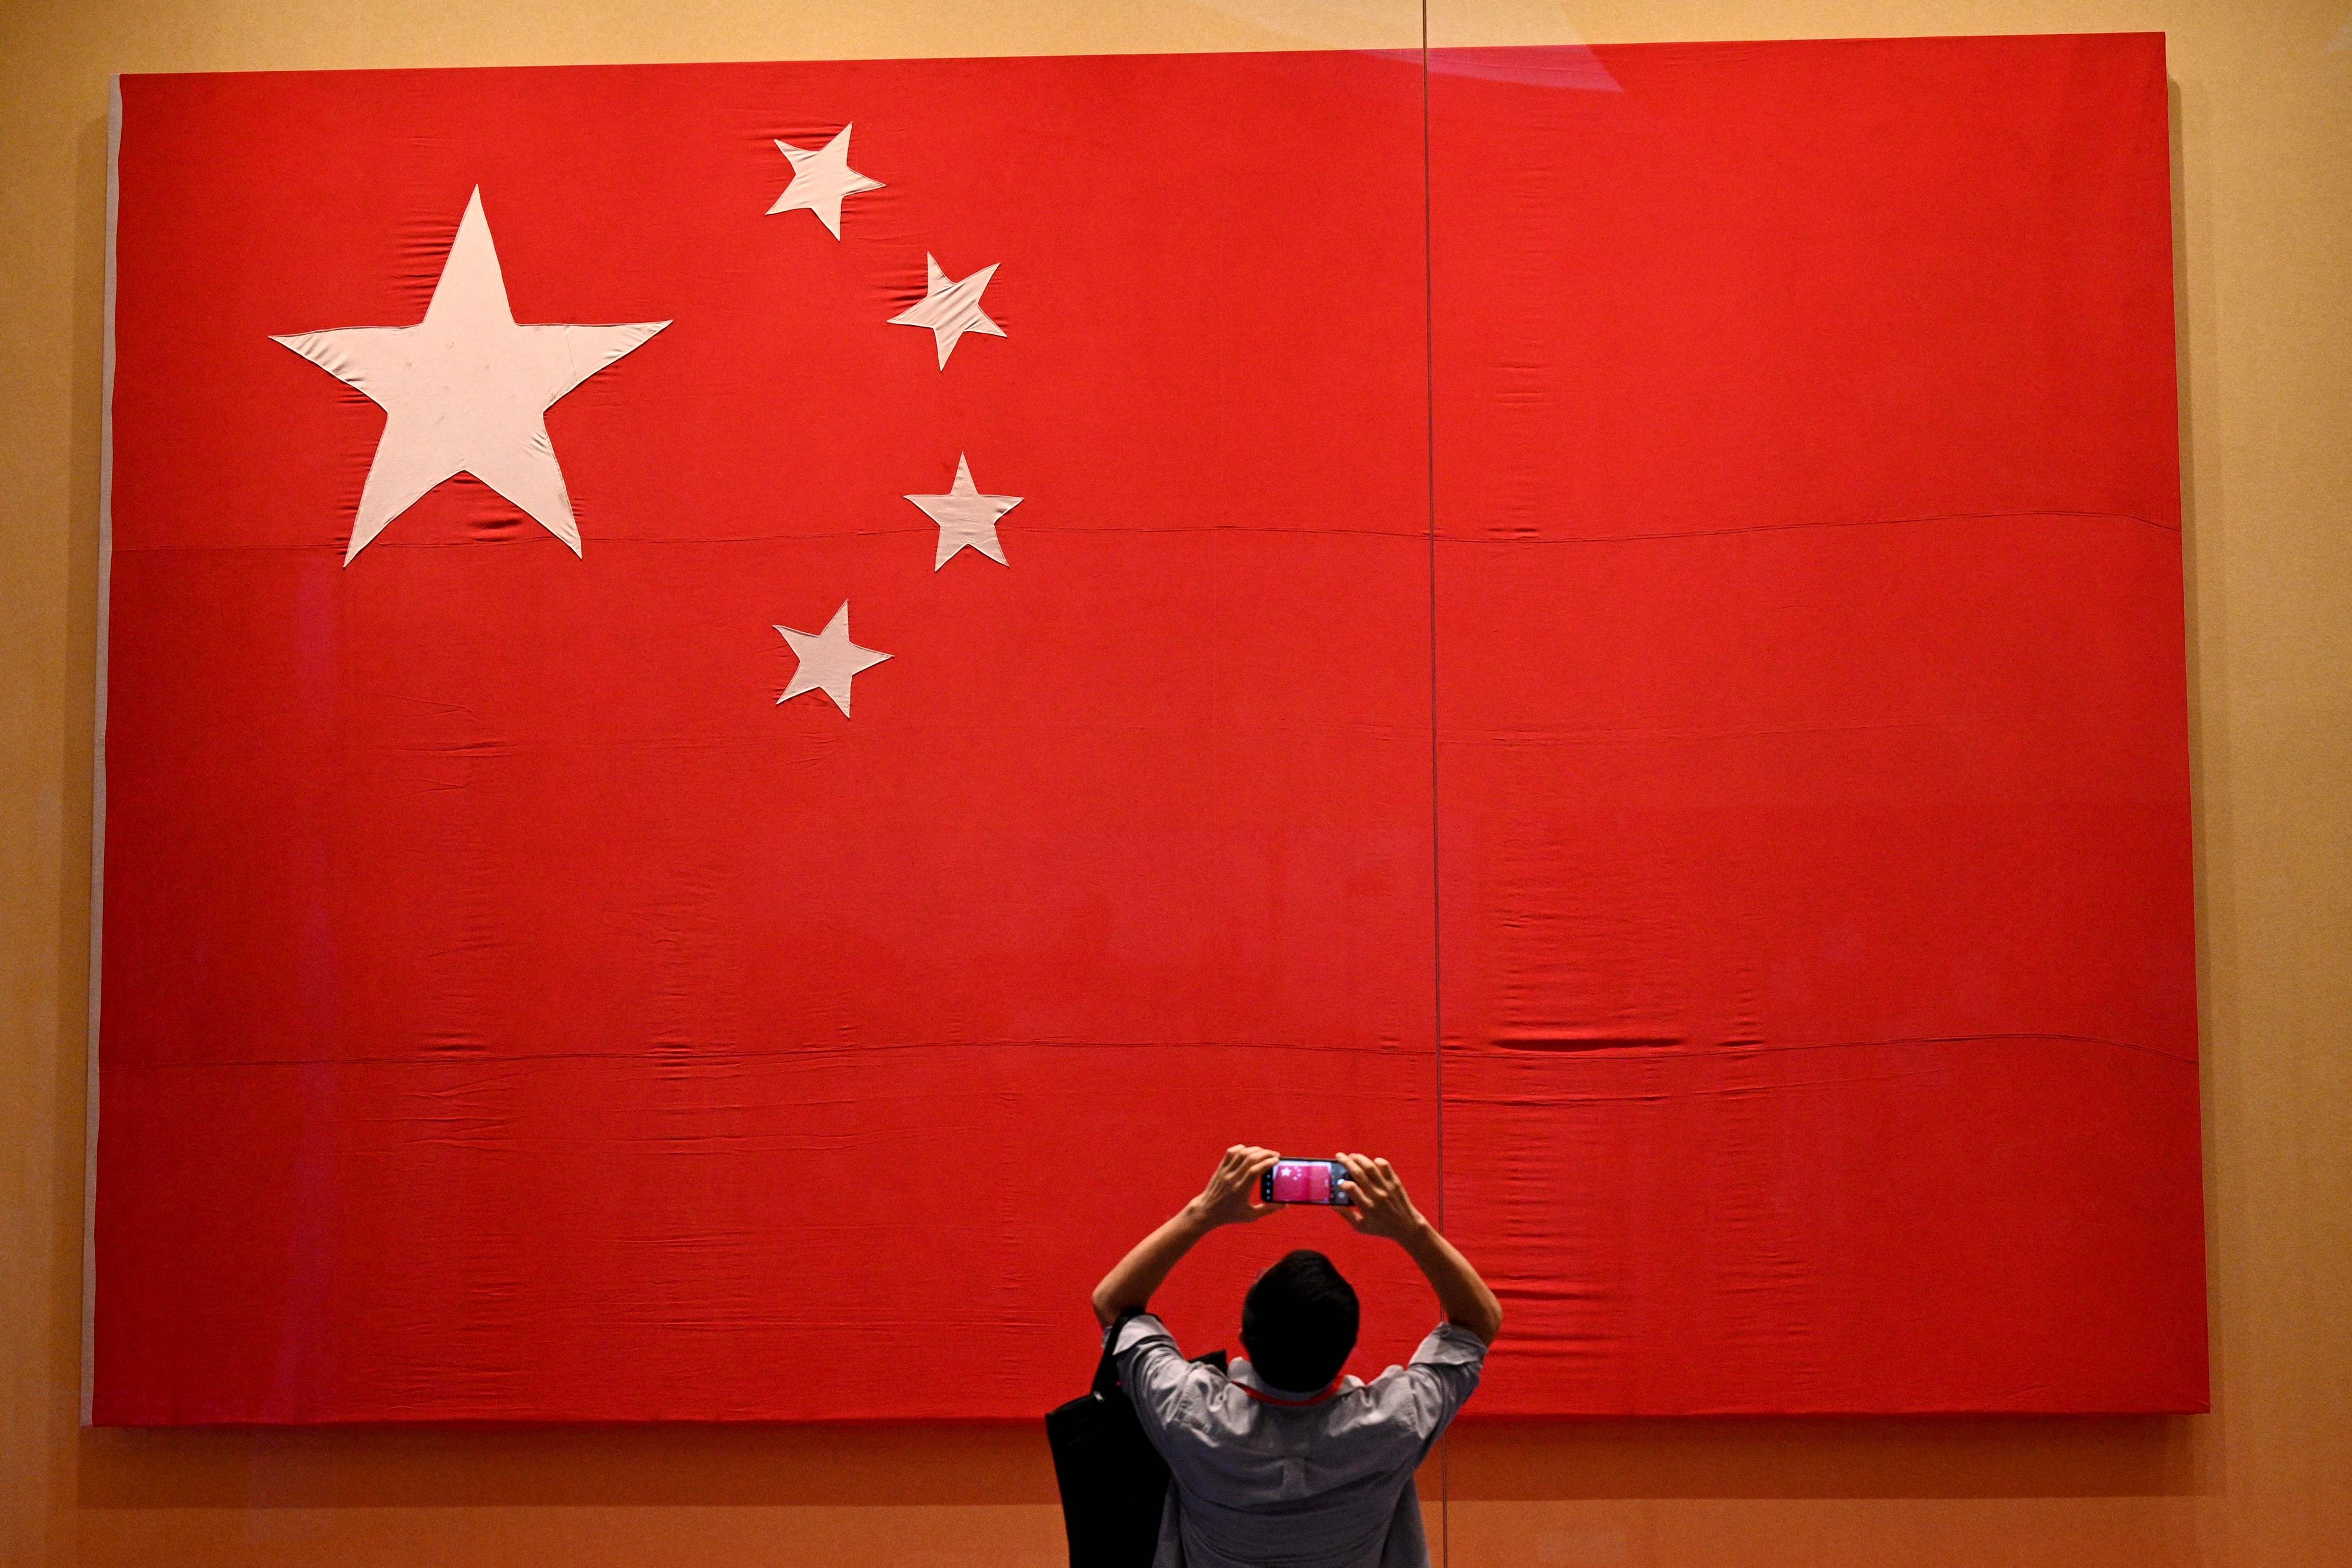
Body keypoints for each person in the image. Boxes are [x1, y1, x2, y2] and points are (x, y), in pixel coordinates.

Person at [1089, 1147, 1504, 1568]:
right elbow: (1479, 1322)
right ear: (1348, 1348)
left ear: (1244, 1339)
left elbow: (1113, 1304)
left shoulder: (1187, 1410)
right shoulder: (1397, 1421)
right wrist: (1411, 1228)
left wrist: (1203, 1212)